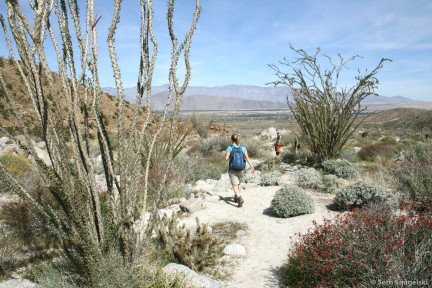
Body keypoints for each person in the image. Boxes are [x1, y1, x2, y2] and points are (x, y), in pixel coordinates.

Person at [225, 134, 255, 207]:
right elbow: (247, 158)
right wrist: (252, 166)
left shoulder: (230, 148)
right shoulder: (243, 148)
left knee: (234, 185)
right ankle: (236, 196)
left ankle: (239, 197)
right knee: (241, 183)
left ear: (231, 139)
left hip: (233, 169)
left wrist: (227, 154)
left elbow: (226, 158)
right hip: (241, 168)